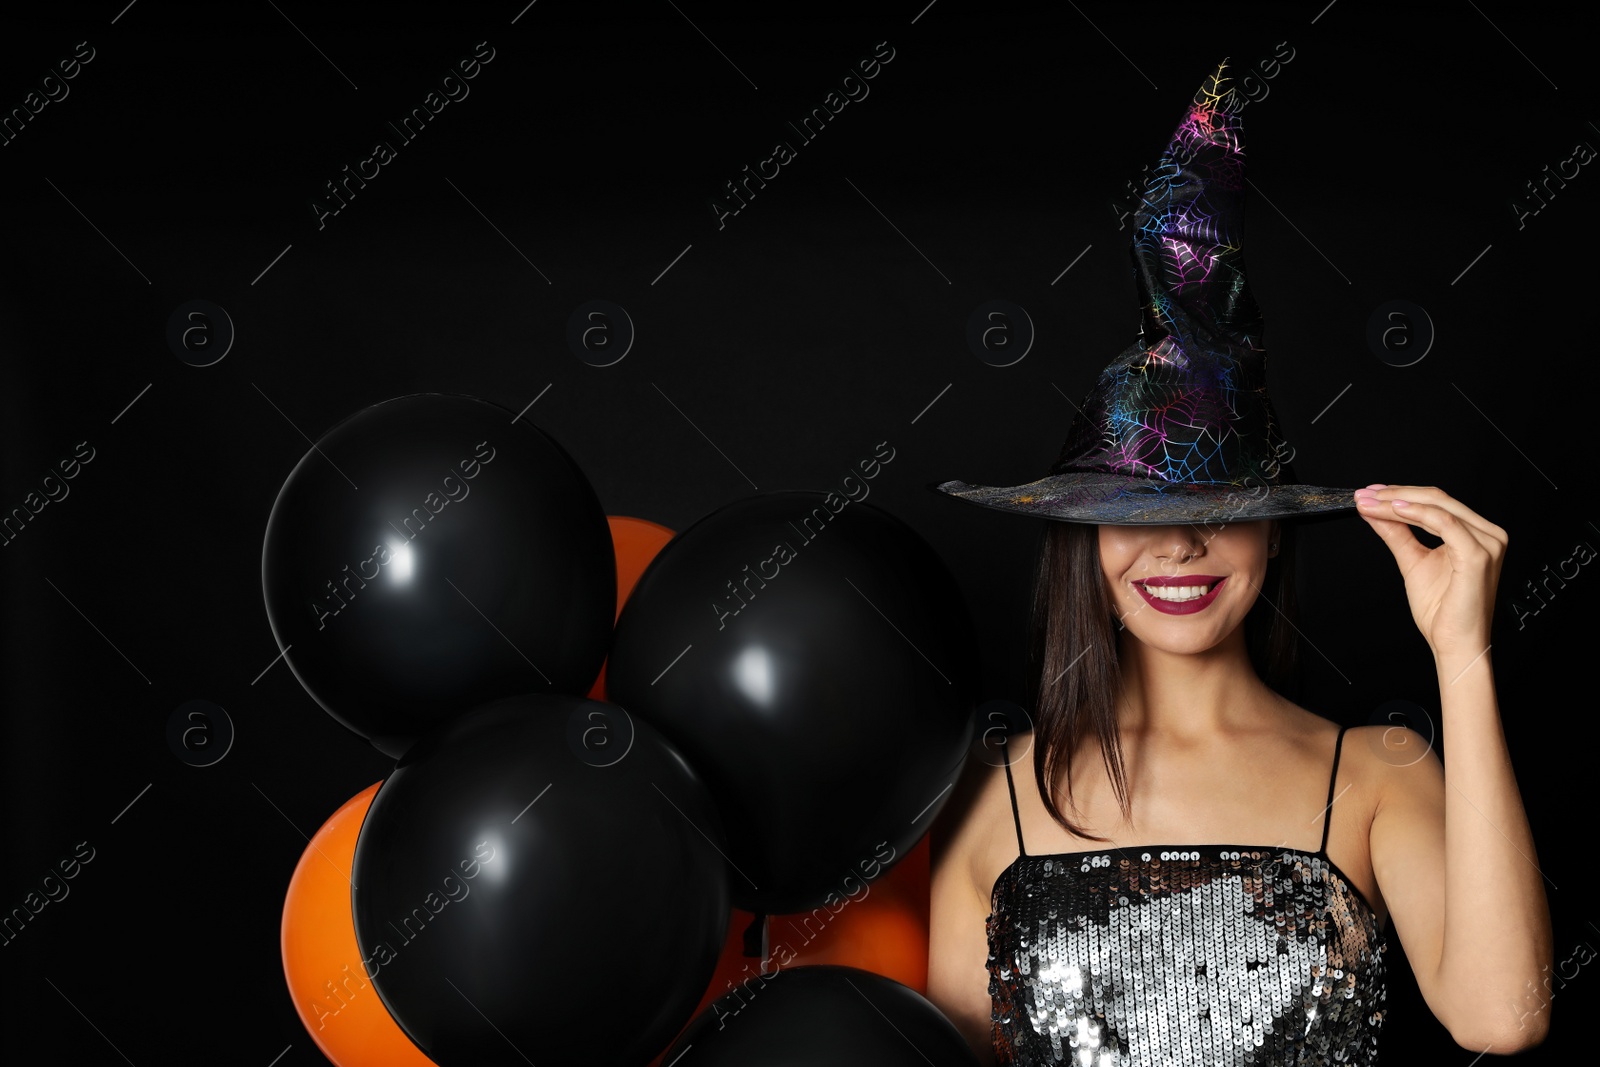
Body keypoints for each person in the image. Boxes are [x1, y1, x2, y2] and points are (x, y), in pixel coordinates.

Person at [923, 60, 1552, 1066]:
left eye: (1222, 508)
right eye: (1138, 510)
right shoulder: (986, 790)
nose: (1179, 543)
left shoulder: (1382, 771)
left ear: (1271, 529)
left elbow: (1503, 1014)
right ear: (1081, 534)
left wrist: (1461, 657)